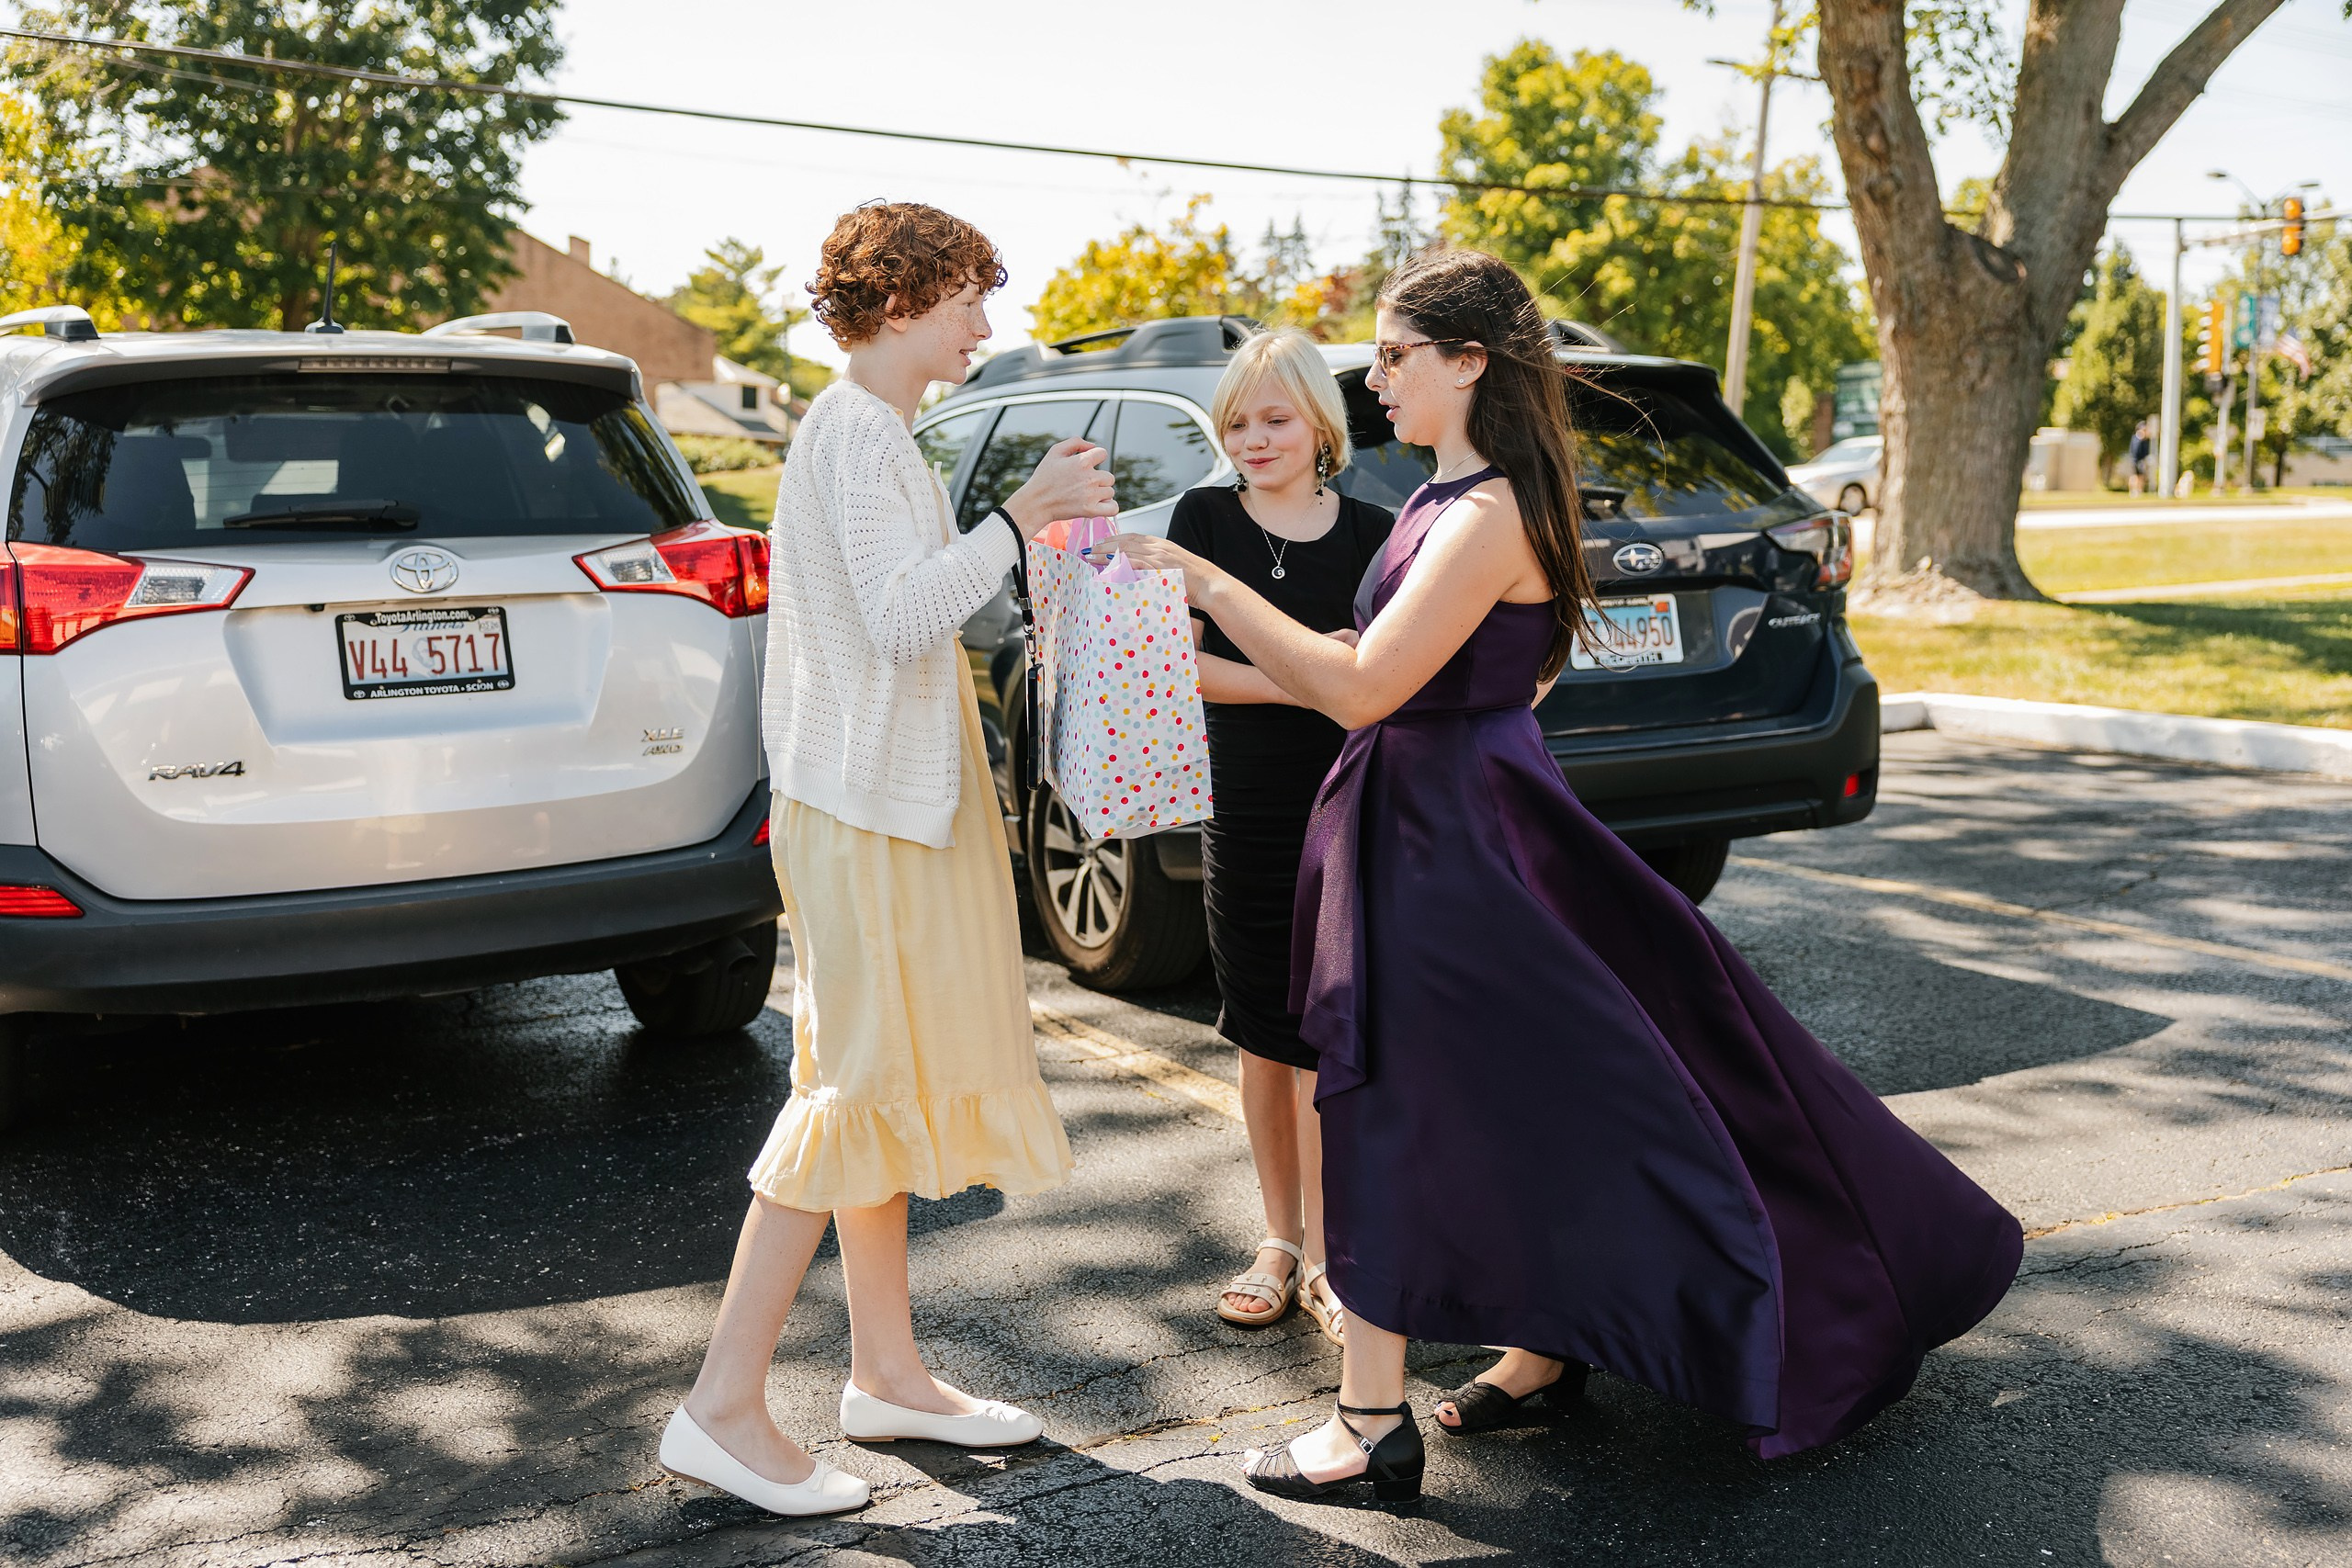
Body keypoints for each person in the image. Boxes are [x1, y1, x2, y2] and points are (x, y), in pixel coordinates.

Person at [1099, 248, 2022, 1503]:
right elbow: (1490, 676)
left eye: (1395, 355)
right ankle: (1541, 1346)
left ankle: (1370, 1422)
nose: (1376, 379)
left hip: (1447, 836)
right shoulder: (1442, 496)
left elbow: (1365, 686)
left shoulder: (1484, 513)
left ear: (1468, 361)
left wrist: (1206, 580)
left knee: (1393, 1101)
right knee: (1514, 1094)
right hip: (1442, 810)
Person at [658, 202, 1117, 1518]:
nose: (985, 322)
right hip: (863, 807)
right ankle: (721, 1408)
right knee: (851, 1086)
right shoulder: (858, 430)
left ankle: (886, 1373)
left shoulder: (873, 430)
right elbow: (903, 615)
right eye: (969, 297)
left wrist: (1029, 537)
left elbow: (910, 606)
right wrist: (1021, 516)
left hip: (878, 800)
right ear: (904, 298)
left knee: (876, 1081)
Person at [1165, 329, 1394, 1342]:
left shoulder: (1375, 531)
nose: (1253, 440)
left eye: (1274, 419)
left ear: (1320, 426)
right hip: (1248, 802)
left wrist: (1333, 683)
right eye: (1237, 423)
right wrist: (1307, 679)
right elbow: (1187, 666)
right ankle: (1279, 1241)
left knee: (1332, 1030)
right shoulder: (1203, 518)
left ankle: (1341, 1258)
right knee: (1261, 1027)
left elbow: (1383, 673)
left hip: (1351, 799)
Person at [2128, 418, 2153, 495]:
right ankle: (2134, 490)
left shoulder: (2145, 440)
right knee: (2136, 476)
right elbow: (2135, 451)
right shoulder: (2137, 439)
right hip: (2136, 460)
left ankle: (2139, 490)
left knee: (2141, 476)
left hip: (2140, 460)